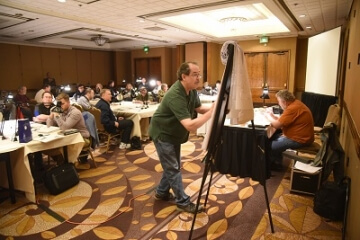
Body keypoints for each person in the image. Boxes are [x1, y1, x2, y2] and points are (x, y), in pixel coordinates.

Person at [149, 61, 214, 213]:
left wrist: (214, 108)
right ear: (184, 76)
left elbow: (198, 108)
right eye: (195, 75)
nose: (199, 78)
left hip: (173, 133)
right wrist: (212, 113)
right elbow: (190, 125)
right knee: (173, 168)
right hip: (163, 133)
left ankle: (161, 192)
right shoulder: (175, 94)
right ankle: (183, 202)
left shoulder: (191, 91)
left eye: (199, 74)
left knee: (172, 165)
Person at [265, 89, 314, 171]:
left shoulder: (292, 109)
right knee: (272, 137)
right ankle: (276, 162)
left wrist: (267, 117)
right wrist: (272, 116)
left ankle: (274, 165)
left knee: (269, 145)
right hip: (301, 136)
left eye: (279, 101)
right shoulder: (296, 104)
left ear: (284, 102)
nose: (278, 104)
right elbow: (283, 121)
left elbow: (277, 125)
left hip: (300, 140)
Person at [47, 92, 90, 163]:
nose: (60, 106)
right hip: (67, 136)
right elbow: (49, 127)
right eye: (59, 104)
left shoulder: (75, 112)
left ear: (68, 102)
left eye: (62, 104)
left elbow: (65, 128)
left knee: (59, 148)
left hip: (80, 136)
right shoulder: (60, 110)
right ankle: (61, 164)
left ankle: (66, 165)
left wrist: (57, 116)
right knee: (49, 146)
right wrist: (51, 117)